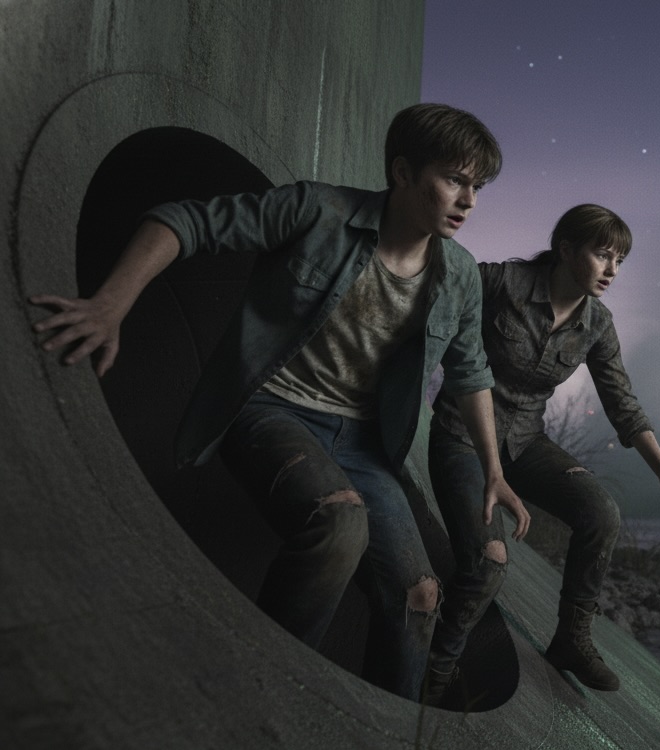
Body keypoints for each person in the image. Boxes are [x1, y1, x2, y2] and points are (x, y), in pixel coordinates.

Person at [28, 103, 529, 701]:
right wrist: (109, 305)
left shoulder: (460, 275)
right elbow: (183, 222)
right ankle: (269, 703)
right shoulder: (319, 210)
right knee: (340, 525)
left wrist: (493, 471)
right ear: (402, 172)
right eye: (454, 179)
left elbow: (469, 372)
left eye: (477, 186)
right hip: (272, 411)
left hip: (363, 445)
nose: (468, 200)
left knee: (420, 597)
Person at [423, 203, 660, 701]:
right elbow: (434, 284)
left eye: (621, 260)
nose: (613, 271)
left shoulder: (597, 323)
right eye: (603, 256)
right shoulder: (502, 283)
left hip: (527, 443)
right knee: (490, 561)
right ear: (565, 249)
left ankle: (572, 641)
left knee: (601, 512)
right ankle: (438, 671)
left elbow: (622, 402)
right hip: (461, 436)